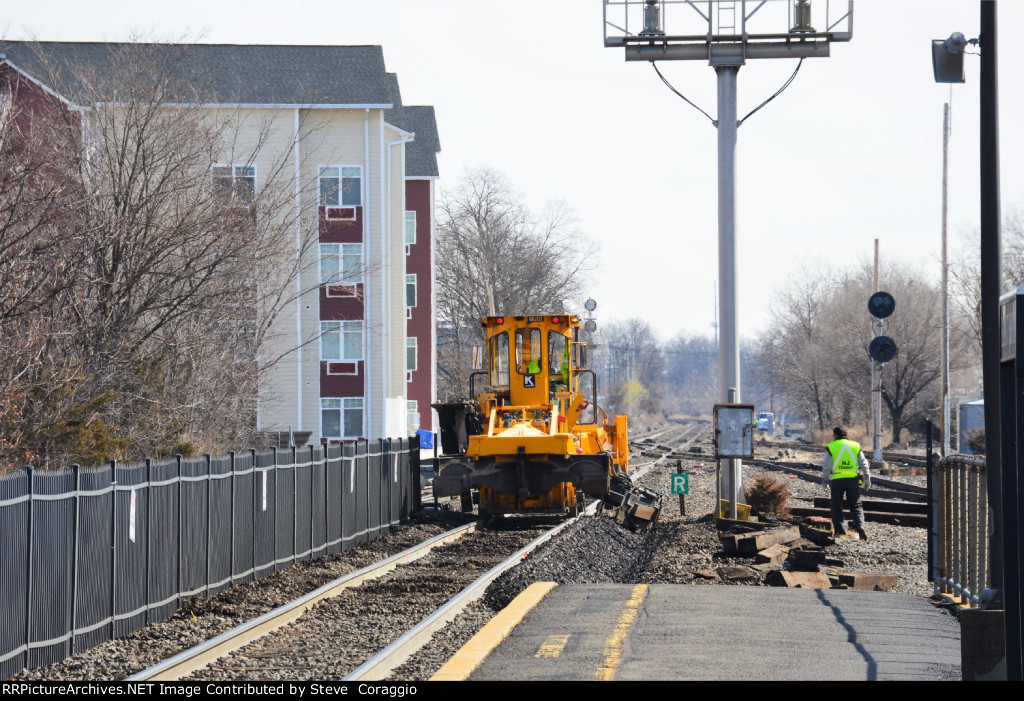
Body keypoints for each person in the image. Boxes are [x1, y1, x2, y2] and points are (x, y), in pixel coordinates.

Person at [822, 426, 871, 540]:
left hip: (837, 479)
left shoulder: (831, 447)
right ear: (846, 434)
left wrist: (825, 480)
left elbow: (827, 467)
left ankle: (840, 530)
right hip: (852, 479)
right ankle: (860, 526)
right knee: (856, 504)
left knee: (836, 505)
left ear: (834, 435)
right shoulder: (856, 446)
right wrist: (867, 478)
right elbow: (864, 464)